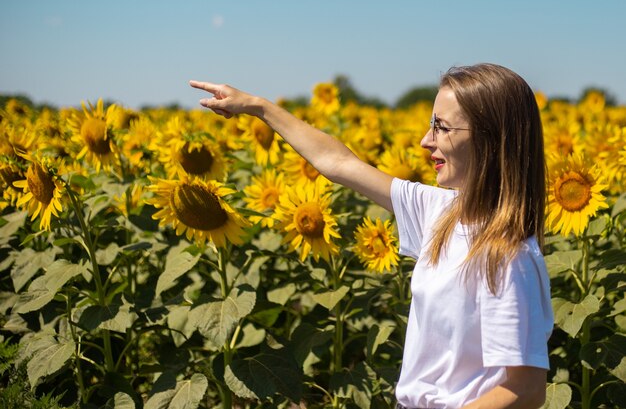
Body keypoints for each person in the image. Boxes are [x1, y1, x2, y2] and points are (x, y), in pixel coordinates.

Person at [189, 63, 553, 409]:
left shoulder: (508, 256)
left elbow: (524, 389)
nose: (426, 141)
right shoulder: (442, 212)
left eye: (442, 127)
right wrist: (258, 107)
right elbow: (339, 163)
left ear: (492, 140)